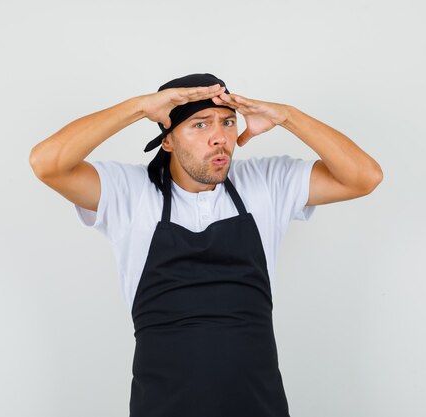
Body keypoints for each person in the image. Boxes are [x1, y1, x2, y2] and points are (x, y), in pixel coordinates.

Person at [29, 73, 383, 417]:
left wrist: (287, 116)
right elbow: (47, 164)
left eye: (228, 122)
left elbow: (365, 177)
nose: (220, 138)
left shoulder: (266, 182)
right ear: (168, 139)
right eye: (201, 124)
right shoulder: (129, 192)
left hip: (259, 406)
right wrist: (138, 108)